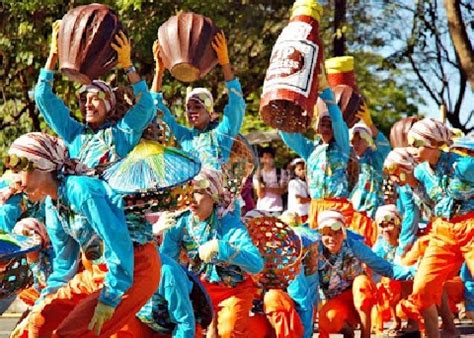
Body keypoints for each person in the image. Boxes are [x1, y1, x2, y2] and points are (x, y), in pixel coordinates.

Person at [8, 133, 161, 338]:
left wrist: (110, 297)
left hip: (134, 268)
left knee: (70, 334)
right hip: (97, 272)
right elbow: (64, 266)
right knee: (38, 322)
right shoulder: (53, 204)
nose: (14, 179)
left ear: (42, 164)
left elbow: (116, 240)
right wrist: (42, 303)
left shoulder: (81, 190)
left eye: (19, 169)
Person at [35, 21, 155, 170]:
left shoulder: (123, 132)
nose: (88, 105)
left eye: (95, 99)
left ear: (109, 105)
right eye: (84, 100)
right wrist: (53, 55)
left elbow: (146, 106)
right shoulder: (74, 133)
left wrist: (127, 65)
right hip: (77, 192)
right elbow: (42, 96)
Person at [160, 168, 264, 337]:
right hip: (198, 291)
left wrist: (222, 248)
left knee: (229, 332)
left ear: (213, 196)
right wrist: (154, 232)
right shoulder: (179, 223)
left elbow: (256, 264)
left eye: (198, 193)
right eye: (188, 192)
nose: (190, 199)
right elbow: (165, 263)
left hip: (232, 291)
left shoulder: (229, 224)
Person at [398, 118, 472, 338]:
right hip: (441, 232)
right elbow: (428, 204)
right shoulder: (420, 172)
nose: (412, 149)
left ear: (433, 143)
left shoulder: (464, 165)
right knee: (422, 289)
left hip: (471, 227)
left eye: (416, 143)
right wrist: (410, 183)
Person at [151, 33, 245, 171]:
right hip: (188, 192)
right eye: (188, 107)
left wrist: (224, 62)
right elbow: (154, 107)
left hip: (216, 192)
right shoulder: (184, 136)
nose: (191, 111)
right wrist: (159, 71)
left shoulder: (222, 132)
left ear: (210, 111)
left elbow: (236, 104)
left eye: (197, 106)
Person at [316, 210, 415, 338]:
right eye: (327, 235)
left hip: (362, 298)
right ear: (320, 235)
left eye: (337, 233)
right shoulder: (315, 252)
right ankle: (347, 330)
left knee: (361, 282)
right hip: (336, 301)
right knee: (328, 319)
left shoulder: (353, 246)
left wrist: (413, 272)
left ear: (343, 233)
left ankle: (365, 334)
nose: (332, 239)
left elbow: (383, 267)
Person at [253, 147, 288, 216]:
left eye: (270, 157)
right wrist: (259, 179)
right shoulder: (257, 175)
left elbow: (281, 191)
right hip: (262, 209)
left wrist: (266, 188)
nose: (268, 160)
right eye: (265, 157)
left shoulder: (281, 173)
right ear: (261, 159)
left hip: (277, 209)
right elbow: (260, 194)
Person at [287, 158, 310, 222]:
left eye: (304, 169)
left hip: (307, 213)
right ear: (294, 171)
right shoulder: (293, 183)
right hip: (298, 215)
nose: (302, 171)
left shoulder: (307, 182)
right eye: (299, 169)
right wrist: (313, 201)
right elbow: (299, 200)